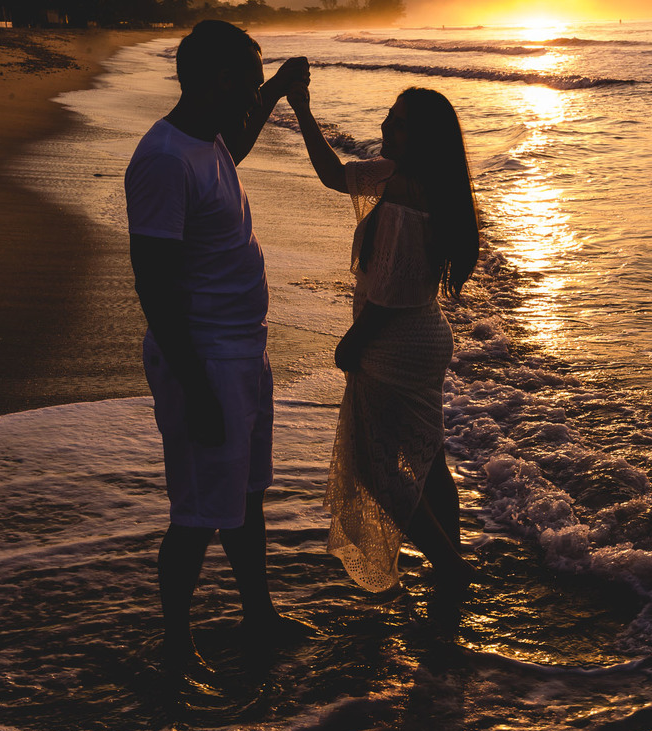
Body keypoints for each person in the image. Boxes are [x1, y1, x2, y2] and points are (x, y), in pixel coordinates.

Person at [124, 20, 311, 671]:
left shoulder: (207, 143)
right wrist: (198, 389)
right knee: (198, 512)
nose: (251, 97)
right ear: (215, 81)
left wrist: (284, 89)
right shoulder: (165, 159)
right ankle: (177, 645)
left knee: (243, 495)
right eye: (249, 85)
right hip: (204, 360)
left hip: (241, 352)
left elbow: (240, 137)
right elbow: (153, 284)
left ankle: (256, 614)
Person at [285, 81, 481, 593]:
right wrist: (304, 110)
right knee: (430, 459)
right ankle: (451, 563)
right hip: (426, 337)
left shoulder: (399, 191)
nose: (383, 127)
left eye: (397, 122)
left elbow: (390, 291)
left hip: (392, 340)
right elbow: (334, 174)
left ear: (420, 136)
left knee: (375, 471)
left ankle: (451, 568)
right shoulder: (435, 183)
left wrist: (353, 341)